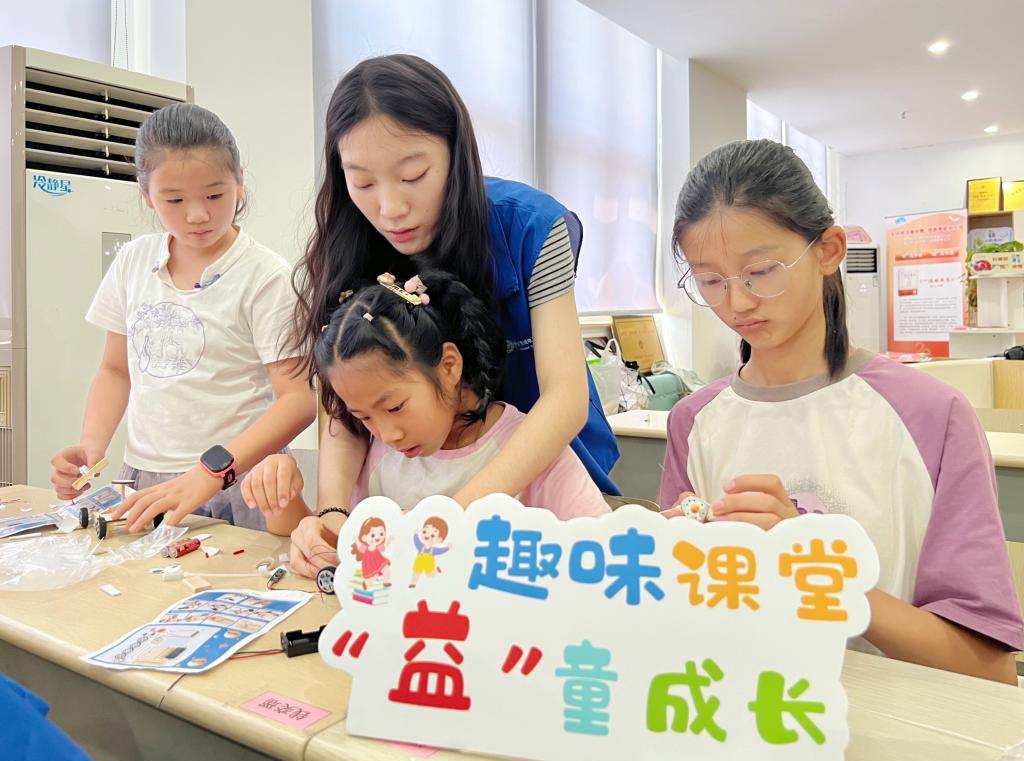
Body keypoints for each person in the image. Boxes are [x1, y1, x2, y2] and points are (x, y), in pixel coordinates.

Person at [659, 138, 1023, 684]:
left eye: (762, 270)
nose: (737, 302)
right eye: (711, 281)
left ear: (828, 250)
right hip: (741, 710)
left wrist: (818, 574)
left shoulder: (930, 415)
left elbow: (989, 670)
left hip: (893, 720)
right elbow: (678, 619)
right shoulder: (694, 421)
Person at [260, 53, 617, 536]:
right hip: (423, 489)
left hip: (543, 482)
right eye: (362, 182)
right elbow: (351, 399)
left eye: (413, 176)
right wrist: (332, 515)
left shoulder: (535, 226)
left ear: (457, 152)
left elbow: (565, 399)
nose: (390, 209)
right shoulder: (351, 245)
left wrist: (447, 521)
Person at [50, 103, 315, 535]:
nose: (197, 215)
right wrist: (91, 447)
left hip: (238, 478)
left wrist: (211, 472)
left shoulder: (266, 277)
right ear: (146, 195)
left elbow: (298, 400)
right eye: (174, 200)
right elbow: (116, 370)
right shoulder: (133, 261)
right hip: (146, 477)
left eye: (215, 195)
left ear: (240, 182)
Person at [241, 270, 609, 577]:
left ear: (449, 367)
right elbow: (342, 553)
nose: (387, 434)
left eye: (395, 407)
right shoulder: (375, 451)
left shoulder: (532, 448)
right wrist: (285, 501)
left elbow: (607, 559)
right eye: (363, 417)